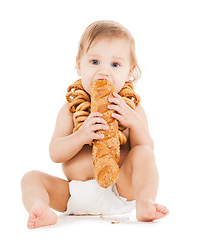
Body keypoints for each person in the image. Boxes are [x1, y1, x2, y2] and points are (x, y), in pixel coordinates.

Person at [21, 20, 169, 229]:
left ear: (129, 71)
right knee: (31, 178)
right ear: (79, 65)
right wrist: (80, 136)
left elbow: (147, 151)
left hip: (120, 190)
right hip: (74, 193)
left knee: (144, 152)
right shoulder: (71, 110)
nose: (104, 72)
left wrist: (134, 124)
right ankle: (41, 207)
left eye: (115, 65)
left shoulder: (132, 110)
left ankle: (145, 203)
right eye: (94, 62)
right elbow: (55, 153)